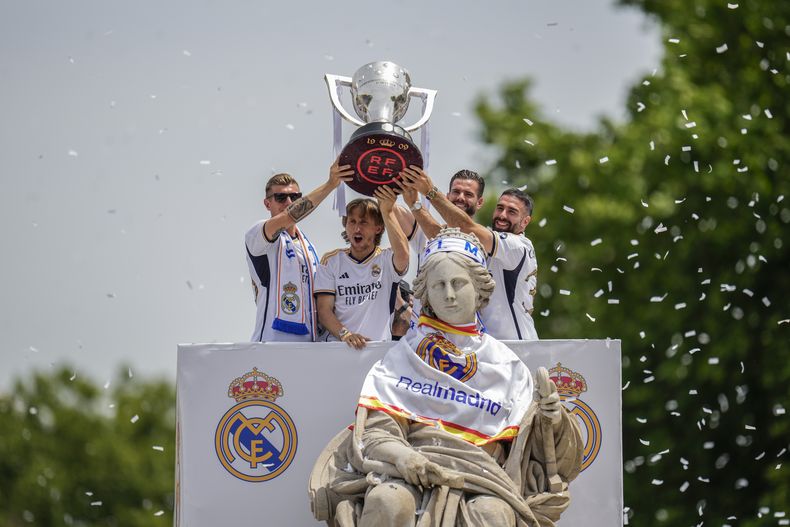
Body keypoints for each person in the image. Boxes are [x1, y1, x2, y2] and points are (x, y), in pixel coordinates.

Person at [309, 228, 583, 526]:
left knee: (492, 514)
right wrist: (403, 456)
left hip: (483, 480)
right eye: (439, 285)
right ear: (426, 293)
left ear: (479, 290)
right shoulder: (405, 356)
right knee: (387, 500)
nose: (449, 294)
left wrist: (552, 419)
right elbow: (376, 433)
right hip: (411, 472)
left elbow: (542, 452)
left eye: (458, 283)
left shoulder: (506, 364)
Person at [398, 166, 539, 340]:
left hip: (517, 346)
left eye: (511, 212)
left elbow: (465, 227)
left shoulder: (518, 246)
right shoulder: (490, 241)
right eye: (500, 208)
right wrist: (413, 203)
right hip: (486, 346)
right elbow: (443, 236)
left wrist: (430, 191)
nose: (502, 215)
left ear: (525, 222)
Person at [245, 160, 354, 342]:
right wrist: (330, 185)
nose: (289, 202)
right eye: (281, 198)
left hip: (309, 346)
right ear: (267, 204)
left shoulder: (308, 247)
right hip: (272, 343)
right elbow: (290, 215)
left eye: (295, 197)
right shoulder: (258, 234)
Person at [314, 186, 409, 350]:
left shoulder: (386, 259)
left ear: (378, 228)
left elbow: (403, 256)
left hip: (377, 351)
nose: (357, 229)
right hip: (338, 349)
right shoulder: (331, 261)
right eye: (352, 222)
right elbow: (324, 311)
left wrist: (387, 212)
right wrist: (346, 335)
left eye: (364, 222)